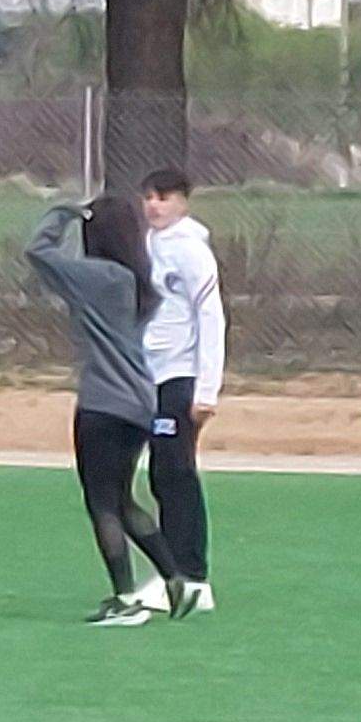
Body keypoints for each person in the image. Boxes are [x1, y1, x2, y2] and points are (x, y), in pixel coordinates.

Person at [26, 195, 175, 625]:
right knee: (124, 499)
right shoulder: (135, 281)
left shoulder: (98, 277)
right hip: (138, 402)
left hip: (102, 403)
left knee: (102, 504)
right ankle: (174, 577)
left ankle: (125, 599)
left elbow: (39, 252)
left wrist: (64, 212)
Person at [135, 167, 223, 611]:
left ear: (183, 201)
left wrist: (207, 389)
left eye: (164, 197)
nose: (154, 205)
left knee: (176, 474)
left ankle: (190, 576)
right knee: (160, 475)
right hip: (147, 374)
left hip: (180, 375)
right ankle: (178, 575)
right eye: (149, 197)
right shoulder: (148, 244)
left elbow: (211, 317)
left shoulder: (191, 250)